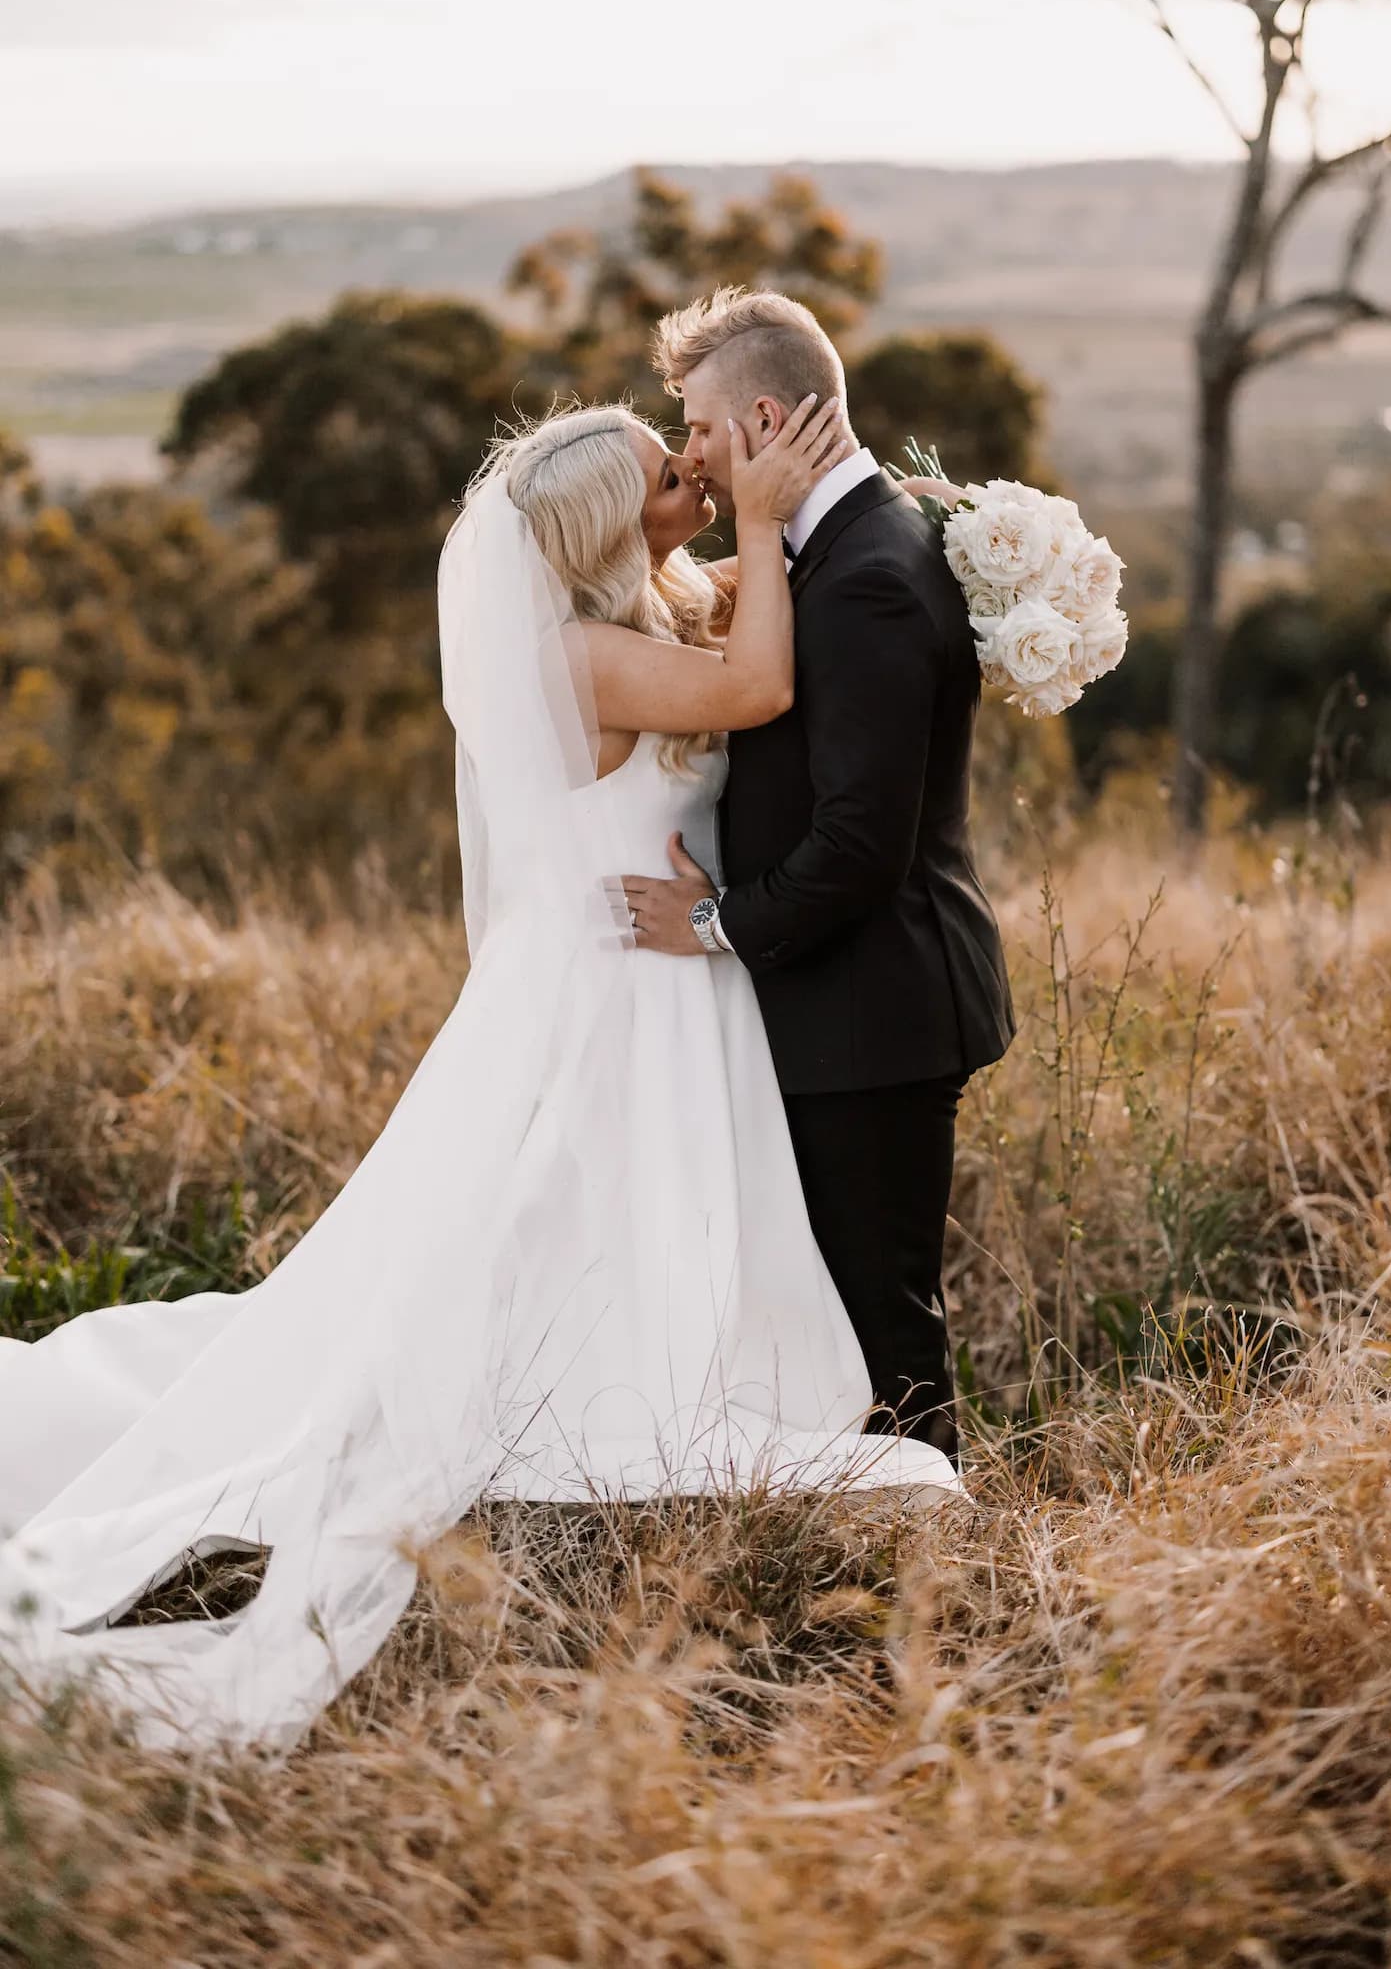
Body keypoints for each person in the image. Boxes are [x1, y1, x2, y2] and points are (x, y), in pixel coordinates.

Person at [0, 393, 961, 1753]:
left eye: (679, 458)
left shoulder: (656, 611)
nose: (689, 474)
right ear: (607, 538)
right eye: (666, 481)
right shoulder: (581, 656)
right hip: (620, 986)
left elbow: (774, 619)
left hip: (675, 977)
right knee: (555, 1223)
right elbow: (757, 690)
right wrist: (756, 511)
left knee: (613, 1215)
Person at [622, 288, 1015, 1464]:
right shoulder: (839, 544)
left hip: (873, 1014)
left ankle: (937, 1573)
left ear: (760, 416)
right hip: (843, 1007)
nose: (688, 451)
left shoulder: (866, 578)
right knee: (844, 1313)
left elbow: (859, 844)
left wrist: (713, 922)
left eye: (693, 424)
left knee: (882, 1320)